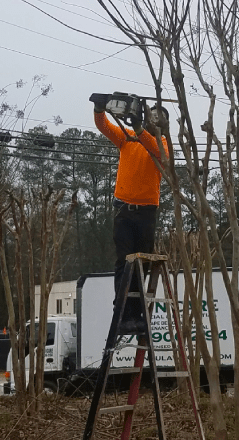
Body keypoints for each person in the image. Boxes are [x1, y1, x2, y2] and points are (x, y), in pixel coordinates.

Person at [94, 96, 169, 335]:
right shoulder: (128, 140)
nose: (154, 121)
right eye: (152, 116)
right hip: (124, 210)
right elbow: (104, 126)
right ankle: (123, 312)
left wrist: (138, 126)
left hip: (146, 213)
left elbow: (155, 149)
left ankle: (137, 315)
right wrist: (99, 109)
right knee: (124, 264)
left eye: (159, 119)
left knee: (141, 266)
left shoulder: (163, 145)